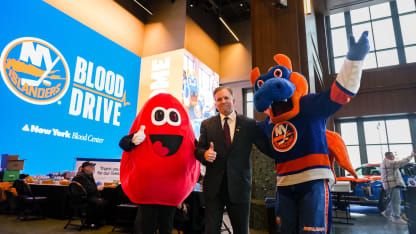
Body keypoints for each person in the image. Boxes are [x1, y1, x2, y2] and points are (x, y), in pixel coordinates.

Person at [194, 86, 270, 234]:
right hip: (214, 188)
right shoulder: (207, 125)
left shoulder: (249, 124)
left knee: (241, 230)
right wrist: (204, 155)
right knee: (210, 230)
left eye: (226, 98)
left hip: (240, 187)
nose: (223, 102)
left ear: (233, 100)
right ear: (215, 104)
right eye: (219, 99)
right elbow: (198, 150)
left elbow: (265, 146)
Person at [380, 151, 415, 225]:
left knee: (394, 200)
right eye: (392, 156)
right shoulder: (388, 163)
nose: (393, 158)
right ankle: (396, 218)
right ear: (388, 156)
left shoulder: (387, 162)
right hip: (391, 185)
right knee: (396, 201)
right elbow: (400, 163)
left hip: (392, 184)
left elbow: (398, 161)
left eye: (393, 156)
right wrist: (411, 156)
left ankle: (387, 212)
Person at [72, 161, 106, 228]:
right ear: (85, 168)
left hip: (88, 196)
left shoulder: (89, 175)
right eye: (91, 167)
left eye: (93, 167)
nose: (93, 168)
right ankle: (91, 222)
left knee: (104, 201)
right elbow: (87, 189)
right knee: (99, 202)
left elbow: (91, 188)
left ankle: (98, 221)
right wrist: (97, 189)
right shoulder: (80, 177)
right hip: (82, 198)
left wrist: (97, 193)